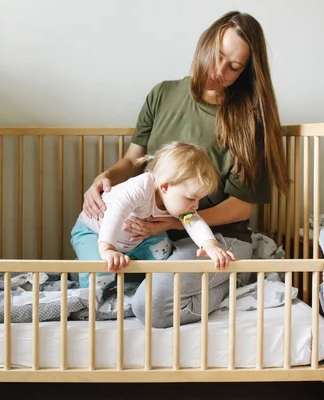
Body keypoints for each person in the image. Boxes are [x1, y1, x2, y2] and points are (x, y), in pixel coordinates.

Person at [81, 10, 289, 328]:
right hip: (158, 233)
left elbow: (239, 208)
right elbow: (131, 162)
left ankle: (236, 275)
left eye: (233, 67)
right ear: (205, 43)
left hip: (215, 236)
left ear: (245, 73)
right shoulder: (162, 94)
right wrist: (104, 179)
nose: (218, 71)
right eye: (217, 56)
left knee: (151, 308)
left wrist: (170, 222)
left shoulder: (248, 121)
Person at [70, 141, 234, 290]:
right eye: (191, 198)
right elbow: (115, 213)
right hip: (95, 233)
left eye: (199, 199)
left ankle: (143, 289)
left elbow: (194, 221)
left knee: (163, 257)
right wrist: (107, 249)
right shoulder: (140, 188)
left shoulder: (179, 200)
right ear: (165, 187)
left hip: (137, 239)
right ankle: (88, 293)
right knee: (98, 272)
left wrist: (210, 245)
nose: (196, 206)